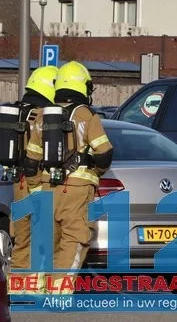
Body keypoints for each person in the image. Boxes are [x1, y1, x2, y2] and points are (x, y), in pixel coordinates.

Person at [24, 61, 113, 294]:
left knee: (46, 241)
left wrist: (35, 190)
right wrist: (95, 173)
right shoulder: (86, 116)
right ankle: (59, 292)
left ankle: (35, 289)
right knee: (74, 240)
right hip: (77, 190)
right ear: (83, 86)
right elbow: (104, 152)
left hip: (46, 189)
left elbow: (31, 161)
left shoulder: (43, 116)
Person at [6, 66, 58, 293]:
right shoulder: (42, 115)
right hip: (39, 180)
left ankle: (17, 286)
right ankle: (39, 285)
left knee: (22, 237)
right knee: (43, 235)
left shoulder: (18, 111)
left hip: (18, 182)